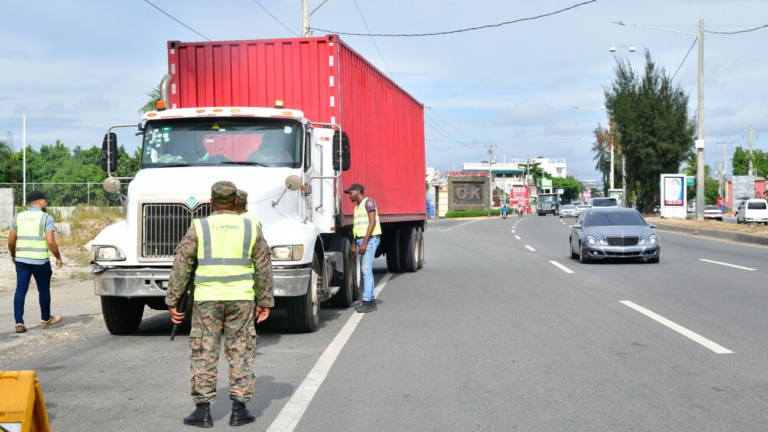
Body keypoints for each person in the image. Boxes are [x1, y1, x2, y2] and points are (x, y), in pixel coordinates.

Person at [166, 181, 274, 428]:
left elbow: (181, 264)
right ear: (236, 201)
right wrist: (265, 300)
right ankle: (239, 410)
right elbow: (263, 266)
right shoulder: (251, 226)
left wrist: (173, 300)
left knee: (204, 351)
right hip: (242, 299)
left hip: (207, 299)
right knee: (241, 351)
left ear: (211, 201)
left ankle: (203, 412)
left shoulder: (199, 227)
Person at [8, 191, 63, 333]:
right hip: (40, 261)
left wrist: (13, 255)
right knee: (43, 290)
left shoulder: (18, 217)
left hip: (21, 260)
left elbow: (10, 242)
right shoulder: (46, 218)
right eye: (45, 200)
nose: (46, 203)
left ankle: (19, 322)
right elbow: (51, 242)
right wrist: (58, 257)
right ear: (39, 201)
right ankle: (45, 320)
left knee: (21, 290)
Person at [346, 183, 381, 314]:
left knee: (366, 270)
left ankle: (367, 302)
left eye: (350, 192)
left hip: (370, 239)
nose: (349, 195)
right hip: (361, 240)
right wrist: (355, 245)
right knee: (366, 270)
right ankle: (370, 301)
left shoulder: (369, 203)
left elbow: (372, 223)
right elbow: (357, 229)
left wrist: (365, 243)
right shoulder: (357, 207)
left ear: (358, 191)